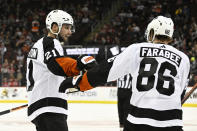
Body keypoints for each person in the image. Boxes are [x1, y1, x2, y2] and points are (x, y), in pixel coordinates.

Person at [59, 16, 190, 131]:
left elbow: (105, 71)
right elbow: (180, 94)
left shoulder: (136, 49)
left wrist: (79, 83)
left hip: (138, 122)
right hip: (172, 123)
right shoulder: (183, 59)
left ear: (152, 32)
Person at [26, 10, 97, 131]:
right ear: (54, 27)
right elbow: (56, 64)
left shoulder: (38, 45)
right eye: (67, 27)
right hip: (49, 107)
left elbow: (50, 72)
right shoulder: (51, 42)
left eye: (70, 28)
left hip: (41, 106)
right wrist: (79, 64)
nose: (70, 32)